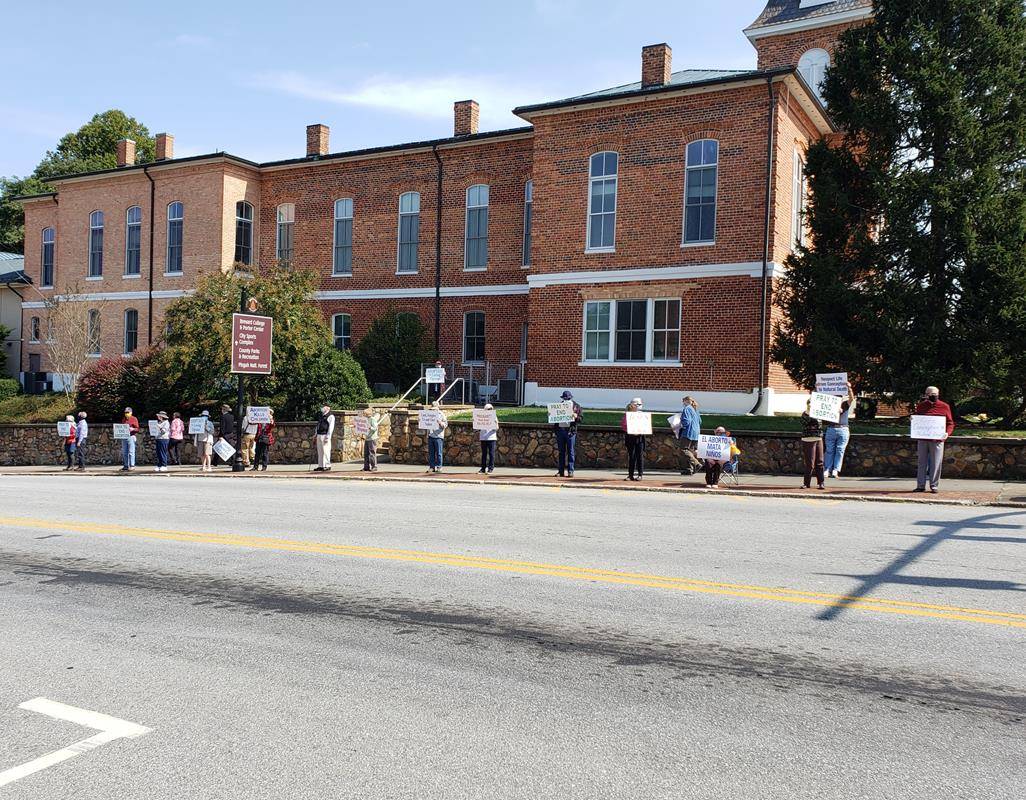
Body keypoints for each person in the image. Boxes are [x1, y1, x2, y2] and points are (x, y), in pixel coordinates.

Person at [914, 385, 954, 493]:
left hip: (937, 440)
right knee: (921, 462)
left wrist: (947, 433)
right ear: (926, 395)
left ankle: (934, 485)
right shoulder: (921, 406)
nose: (932, 396)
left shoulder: (944, 406)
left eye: (934, 394)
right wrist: (913, 421)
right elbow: (918, 421)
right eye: (929, 394)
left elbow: (950, 423)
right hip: (923, 439)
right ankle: (920, 485)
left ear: (938, 395)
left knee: (936, 463)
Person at [824, 382, 856, 478]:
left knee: (840, 450)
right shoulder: (828, 406)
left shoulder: (844, 404)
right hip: (831, 428)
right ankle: (827, 469)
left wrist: (849, 388)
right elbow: (816, 400)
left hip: (843, 429)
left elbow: (851, 399)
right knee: (829, 450)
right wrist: (816, 388)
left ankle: (835, 470)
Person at [554, 390, 583, 478]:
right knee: (561, 452)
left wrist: (576, 416)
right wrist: (551, 415)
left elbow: (581, 418)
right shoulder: (559, 406)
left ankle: (570, 471)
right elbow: (554, 417)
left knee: (571, 451)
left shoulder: (576, 406)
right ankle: (561, 471)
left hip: (570, 431)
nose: (565, 400)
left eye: (567, 399)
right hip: (561, 430)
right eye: (564, 399)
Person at [800, 398, 826, 489]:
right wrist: (809, 411)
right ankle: (806, 483)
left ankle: (821, 482)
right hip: (808, 439)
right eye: (810, 404)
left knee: (820, 461)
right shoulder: (805, 414)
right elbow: (805, 422)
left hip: (818, 438)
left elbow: (827, 420)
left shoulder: (820, 413)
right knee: (810, 463)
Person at [620, 397, 646, 481]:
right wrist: (630, 430)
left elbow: (645, 426)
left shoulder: (642, 415)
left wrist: (639, 432)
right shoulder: (627, 415)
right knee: (632, 456)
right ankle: (630, 475)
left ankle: (640, 474)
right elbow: (623, 425)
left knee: (639, 456)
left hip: (639, 437)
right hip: (630, 437)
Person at [677, 396, 702, 476]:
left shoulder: (687, 408)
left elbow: (686, 421)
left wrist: (680, 423)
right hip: (696, 433)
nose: (682, 403)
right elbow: (700, 421)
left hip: (688, 432)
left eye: (683, 401)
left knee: (684, 450)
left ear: (686, 401)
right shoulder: (695, 410)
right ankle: (689, 469)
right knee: (690, 451)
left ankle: (696, 464)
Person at [426, 401, 448, 473]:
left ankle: (439, 467)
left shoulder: (441, 414)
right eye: (432, 409)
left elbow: (445, 425)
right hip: (431, 435)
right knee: (431, 453)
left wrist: (440, 423)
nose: (433, 410)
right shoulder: (428, 414)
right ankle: (432, 467)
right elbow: (425, 423)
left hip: (438, 436)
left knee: (439, 453)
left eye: (435, 409)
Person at [314, 405, 335, 471]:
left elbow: (331, 427)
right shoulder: (321, 416)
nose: (322, 408)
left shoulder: (331, 416)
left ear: (328, 408)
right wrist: (315, 434)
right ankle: (320, 465)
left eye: (324, 406)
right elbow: (318, 425)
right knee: (320, 451)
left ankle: (327, 465)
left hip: (325, 435)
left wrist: (328, 437)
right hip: (319, 434)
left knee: (326, 450)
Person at [478, 403, 498, 474]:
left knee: (491, 453)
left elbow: (496, 428)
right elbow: (477, 427)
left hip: (491, 438)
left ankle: (490, 468)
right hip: (483, 437)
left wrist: (495, 424)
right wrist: (475, 421)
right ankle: (483, 468)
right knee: (484, 454)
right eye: (488, 409)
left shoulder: (494, 417)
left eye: (490, 409)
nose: (490, 410)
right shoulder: (481, 416)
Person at [121, 407, 140, 471]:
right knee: (124, 452)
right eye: (125, 412)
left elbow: (137, 429)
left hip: (131, 436)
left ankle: (132, 465)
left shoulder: (134, 419)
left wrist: (133, 429)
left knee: (131, 451)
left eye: (127, 412)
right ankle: (126, 465)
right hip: (124, 437)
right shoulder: (124, 419)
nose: (126, 414)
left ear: (131, 413)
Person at [363, 407, 381, 472]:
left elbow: (375, 428)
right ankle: (366, 467)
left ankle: (374, 466)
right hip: (367, 438)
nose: (363, 414)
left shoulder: (372, 419)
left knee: (372, 453)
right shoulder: (366, 419)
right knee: (366, 453)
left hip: (372, 438)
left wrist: (370, 427)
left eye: (364, 413)